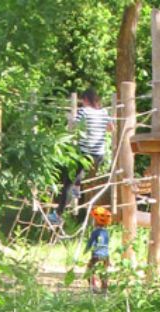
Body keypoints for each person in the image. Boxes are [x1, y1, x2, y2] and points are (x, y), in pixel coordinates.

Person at [53, 89, 111, 220]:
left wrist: (69, 118)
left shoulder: (83, 111)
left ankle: (58, 214)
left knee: (68, 180)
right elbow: (111, 128)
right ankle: (76, 192)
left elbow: (73, 128)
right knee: (79, 174)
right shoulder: (104, 112)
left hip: (86, 154)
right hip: (99, 155)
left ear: (85, 100)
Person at [85, 205, 112, 292]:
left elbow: (91, 243)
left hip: (97, 254)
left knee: (89, 269)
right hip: (106, 255)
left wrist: (86, 250)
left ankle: (93, 287)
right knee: (103, 271)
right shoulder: (106, 232)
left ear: (96, 221)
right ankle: (104, 287)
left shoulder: (95, 232)